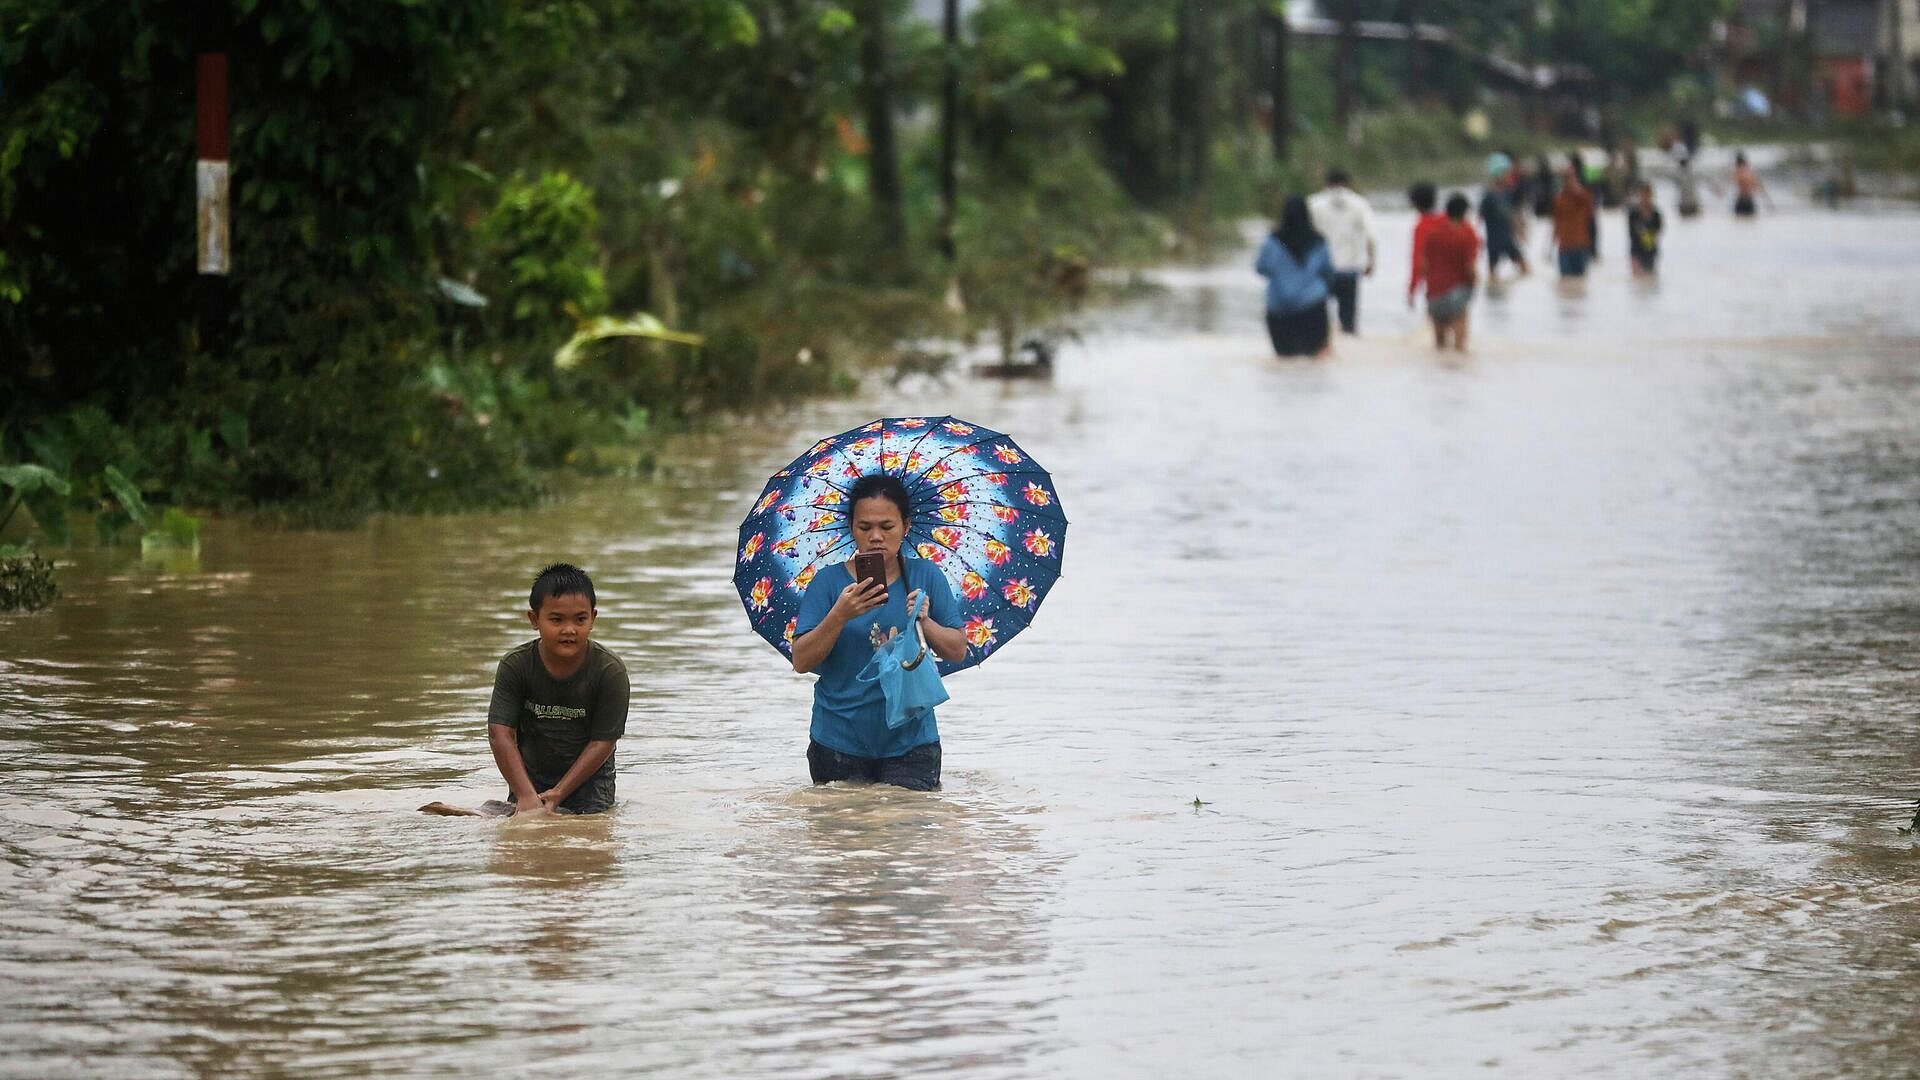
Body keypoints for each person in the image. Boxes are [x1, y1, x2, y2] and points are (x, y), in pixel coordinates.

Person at [791, 473, 967, 790]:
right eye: (864, 527)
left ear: (906, 526)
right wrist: (839, 615)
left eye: (887, 527)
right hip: (837, 739)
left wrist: (925, 622)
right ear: (851, 528)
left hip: (913, 742)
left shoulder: (926, 576)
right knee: (841, 820)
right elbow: (801, 661)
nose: (876, 537)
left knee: (908, 819)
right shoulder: (828, 583)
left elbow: (957, 650)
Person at [486, 563, 630, 815]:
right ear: (534, 619)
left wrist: (559, 793)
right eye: (556, 619)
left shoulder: (610, 671)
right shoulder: (515, 665)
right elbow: (500, 734)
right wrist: (525, 794)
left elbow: (603, 741)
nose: (569, 630)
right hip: (528, 783)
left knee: (586, 835)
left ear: (593, 619)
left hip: (591, 787)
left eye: (580, 619)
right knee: (522, 834)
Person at [1255, 195, 1335, 358]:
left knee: (1284, 360)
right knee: (1316, 360)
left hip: (1279, 310)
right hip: (1313, 308)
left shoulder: (1272, 241)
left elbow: (1261, 268)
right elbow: (1327, 272)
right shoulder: (1318, 242)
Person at [1307, 168, 1377, 335]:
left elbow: (1305, 234)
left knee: (1318, 319)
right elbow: (1371, 236)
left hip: (1320, 270)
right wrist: (1371, 262)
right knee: (1348, 321)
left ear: (1325, 183)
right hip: (1349, 270)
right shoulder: (1359, 203)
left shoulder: (1313, 203)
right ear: (1348, 183)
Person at [1419, 192, 1480, 351]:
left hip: (1434, 294)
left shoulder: (1433, 234)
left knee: (1439, 347)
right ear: (1464, 213)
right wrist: (1475, 286)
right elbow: (1470, 268)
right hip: (1457, 294)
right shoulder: (1468, 234)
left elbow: (1423, 266)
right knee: (1460, 348)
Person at [1478, 153, 1528, 282]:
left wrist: (1521, 231)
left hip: (1508, 240)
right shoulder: (1488, 197)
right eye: (1507, 173)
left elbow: (1512, 215)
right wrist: (1478, 239)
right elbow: (1480, 217)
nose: (1510, 176)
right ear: (1499, 175)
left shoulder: (1508, 193)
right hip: (1494, 242)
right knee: (1493, 276)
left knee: (1525, 270)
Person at [1548, 160, 1596, 280]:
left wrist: (1574, 185)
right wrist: (1550, 247)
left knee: (1581, 281)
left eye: (1570, 177)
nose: (1567, 180)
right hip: (1564, 247)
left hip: (1580, 246)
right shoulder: (1559, 199)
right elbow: (1556, 224)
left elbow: (1591, 216)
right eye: (1565, 177)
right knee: (1566, 282)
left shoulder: (1584, 196)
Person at [1405, 181, 1443, 309]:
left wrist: (1412, 290)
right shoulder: (1447, 220)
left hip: (1436, 285)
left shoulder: (1422, 227)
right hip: (1459, 284)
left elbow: (1418, 261)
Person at [1626, 181, 1663, 276]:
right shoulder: (1634, 213)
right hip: (1636, 249)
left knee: (1650, 275)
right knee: (1637, 277)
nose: (1645, 197)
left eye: (1647, 195)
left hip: (1650, 249)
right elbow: (1631, 232)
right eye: (1643, 195)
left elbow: (1659, 230)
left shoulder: (1656, 213)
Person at [1732, 151, 1769, 217]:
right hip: (1748, 199)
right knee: (1750, 218)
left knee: (1739, 219)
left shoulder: (1737, 173)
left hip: (1741, 199)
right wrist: (1767, 201)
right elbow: (1758, 186)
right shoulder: (1750, 172)